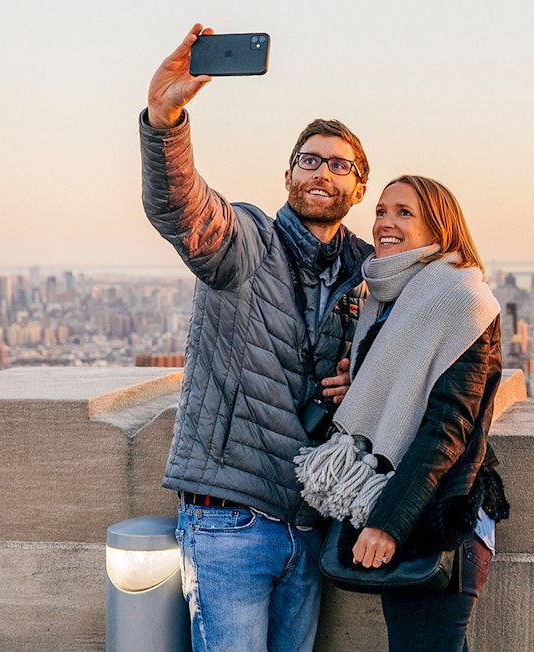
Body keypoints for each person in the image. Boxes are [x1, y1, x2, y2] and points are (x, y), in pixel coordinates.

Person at [140, 24, 370, 651]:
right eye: (310, 159)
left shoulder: (370, 274)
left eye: (339, 164)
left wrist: (364, 378)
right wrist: (166, 121)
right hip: (230, 519)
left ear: (359, 187)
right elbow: (184, 211)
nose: (323, 171)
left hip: (311, 521)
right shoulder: (248, 242)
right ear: (289, 173)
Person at [296, 175, 510, 651]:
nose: (385, 223)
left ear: (441, 228)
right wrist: (361, 387)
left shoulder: (461, 301)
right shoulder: (390, 301)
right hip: (404, 507)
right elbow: (404, 394)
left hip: (439, 518)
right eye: (380, 211)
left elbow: (445, 431)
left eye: (404, 213)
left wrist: (388, 523)